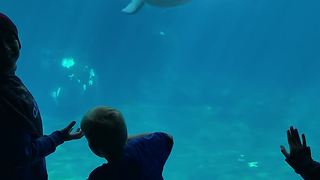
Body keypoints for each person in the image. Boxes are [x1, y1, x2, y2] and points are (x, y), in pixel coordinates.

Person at [0, 12, 84, 179]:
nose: (7, 49)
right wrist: (57, 138)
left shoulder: (9, 80)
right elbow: (23, 153)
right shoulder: (4, 97)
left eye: (10, 40)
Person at [80, 106, 174, 180]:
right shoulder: (145, 148)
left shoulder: (100, 176)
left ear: (94, 149)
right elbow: (168, 137)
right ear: (125, 134)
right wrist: (121, 139)